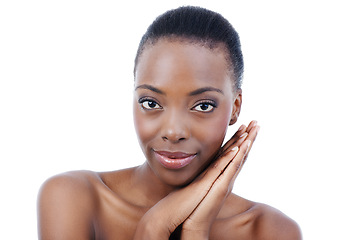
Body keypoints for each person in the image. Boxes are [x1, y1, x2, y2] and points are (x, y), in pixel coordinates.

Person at [37, 6, 301, 240]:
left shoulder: (268, 231)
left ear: (235, 108)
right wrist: (153, 227)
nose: (174, 132)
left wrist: (196, 229)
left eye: (203, 106)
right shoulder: (73, 199)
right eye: (151, 103)